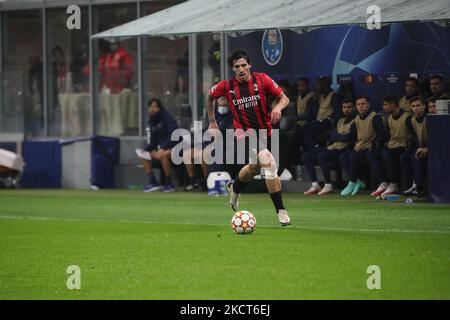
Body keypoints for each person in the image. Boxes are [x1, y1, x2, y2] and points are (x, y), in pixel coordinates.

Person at [206, 49, 291, 226]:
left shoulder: (263, 80)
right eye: (237, 66)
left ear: (249, 65)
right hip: (244, 133)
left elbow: (284, 98)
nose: (241, 69)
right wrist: (212, 122)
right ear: (233, 69)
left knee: (253, 168)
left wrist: (277, 108)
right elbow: (209, 96)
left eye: (244, 65)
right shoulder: (227, 86)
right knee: (270, 164)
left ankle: (234, 188)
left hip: (265, 132)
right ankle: (281, 211)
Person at [303, 98, 355, 195]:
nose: (346, 109)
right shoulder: (340, 121)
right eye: (344, 107)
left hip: (344, 149)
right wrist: (339, 137)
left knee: (322, 156)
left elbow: (348, 138)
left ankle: (328, 185)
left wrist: (338, 137)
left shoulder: (355, 121)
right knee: (307, 157)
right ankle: (315, 185)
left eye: (349, 107)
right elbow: (332, 136)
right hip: (333, 146)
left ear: (354, 108)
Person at [340, 96, 385, 196]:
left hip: (370, 148)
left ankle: (352, 182)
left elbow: (381, 134)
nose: (361, 106)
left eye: (363, 104)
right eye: (358, 104)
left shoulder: (375, 117)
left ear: (368, 105)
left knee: (354, 157)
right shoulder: (357, 118)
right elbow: (354, 134)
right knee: (344, 156)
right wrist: (355, 143)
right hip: (360, 147)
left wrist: (373, 144)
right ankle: (357, 181)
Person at [141, 99, 179, 192]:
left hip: (176, 147)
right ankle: (153, 182)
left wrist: (163, 148)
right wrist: (146, 149)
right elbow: (154, 141)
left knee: (163, 154)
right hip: (161, 149)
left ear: (159, 107)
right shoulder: (152, 121)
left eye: (154, 106)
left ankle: (169, 183)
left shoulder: (168, 118)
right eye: (150, 107)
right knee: (143, 155)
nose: (152, 109)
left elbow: (174, 136)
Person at [378, 95, 411, 196]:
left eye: (385, 105)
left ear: (393, 105)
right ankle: (386, 183)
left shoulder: (407, 117)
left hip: (404, 146)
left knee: (389, 154)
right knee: (377, 153)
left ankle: (394, 184)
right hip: (393, 145)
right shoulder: (388, 118)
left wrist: (408, 142)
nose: (383, 107)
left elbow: (412, 134)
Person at [402, 96, 428, 196]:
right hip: (420, 147)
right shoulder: (409, 120)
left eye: (418, 105)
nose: (415, 108)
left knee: (417, 157)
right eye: (413, 106)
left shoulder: (429, 118)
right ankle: (415, 183)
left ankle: (422, 187)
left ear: (424, 106)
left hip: (432, 148)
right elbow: (414, 136)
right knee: (404, 157)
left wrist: (427, 148)